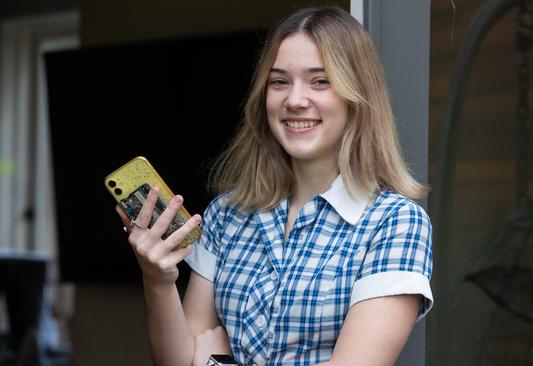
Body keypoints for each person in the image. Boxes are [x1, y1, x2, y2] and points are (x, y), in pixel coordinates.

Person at [116, 6, 433, 366]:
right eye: (279, 81)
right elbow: (175, 361)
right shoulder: (227, 215)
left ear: (356, 95)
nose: (294, 100)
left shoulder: (395, 224)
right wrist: (157, 281)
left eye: (320, 80)